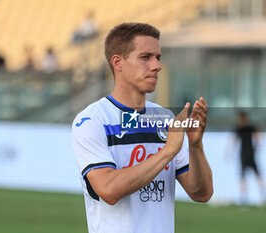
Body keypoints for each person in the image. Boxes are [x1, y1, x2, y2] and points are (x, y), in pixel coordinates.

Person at [72, 22, 213, 233]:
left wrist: (195, 145)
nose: (157, 66)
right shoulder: (92, 120)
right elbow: (109, 190)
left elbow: (202, 194)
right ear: (118, 63)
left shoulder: (164, 118)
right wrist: (167, 152)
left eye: (158, 57)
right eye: (145, 57)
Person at [229, 111, 266, 206]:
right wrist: (256, 147)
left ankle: (246, 199)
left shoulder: (242, 128)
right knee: (255, 176)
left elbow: (234, 141)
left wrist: (229, 153)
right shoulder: (248, 127)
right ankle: (261, 198)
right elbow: (258, 138)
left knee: (247, 176)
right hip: (249, 154)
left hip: (245, 155)